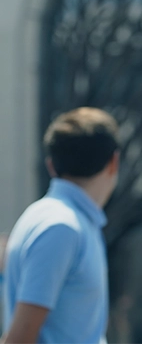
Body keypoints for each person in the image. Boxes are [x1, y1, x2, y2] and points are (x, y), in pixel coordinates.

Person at [1, 107, 120, 344]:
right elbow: (19, 338)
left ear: (51, 165)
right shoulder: (62, 228)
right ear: (113, 162)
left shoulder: (59, 219)